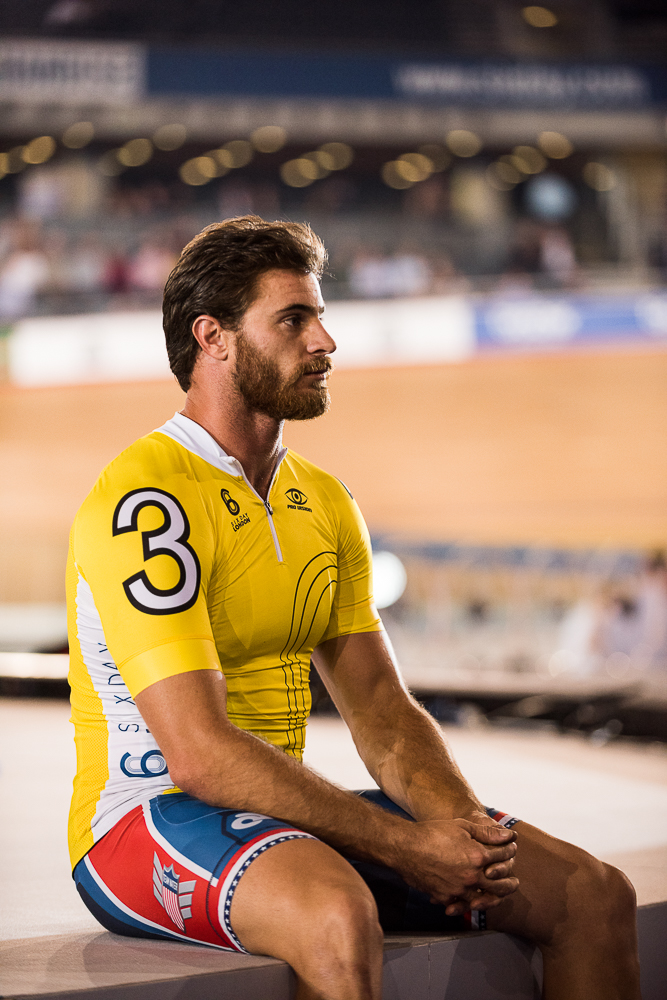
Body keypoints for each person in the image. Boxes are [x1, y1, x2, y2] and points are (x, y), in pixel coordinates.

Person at [67, 216, 640, 1000]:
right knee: (337, 914)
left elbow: (380, 709)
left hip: (276, 818)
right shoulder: (147, 500)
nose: (326, 341)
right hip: (146, 820)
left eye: (321, 315)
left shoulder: (324, 501)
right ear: (215, 339)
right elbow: (198, 753)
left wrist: (462, 836)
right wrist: (406, 850)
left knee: (590, 894)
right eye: (294, 319)